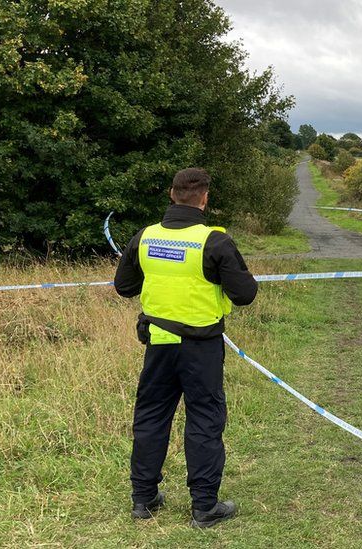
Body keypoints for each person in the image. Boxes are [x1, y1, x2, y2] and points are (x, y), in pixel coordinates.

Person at [114, 167, 258, 528]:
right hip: (201, 347)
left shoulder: (144, 238)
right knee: (205, 419)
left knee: (151, 416)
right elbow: (245, 294)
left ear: (171, 194)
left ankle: (143, 499)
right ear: (205, 198)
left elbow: (124, 287)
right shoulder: (215, 242)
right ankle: (204, 507)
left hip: (159, 343)